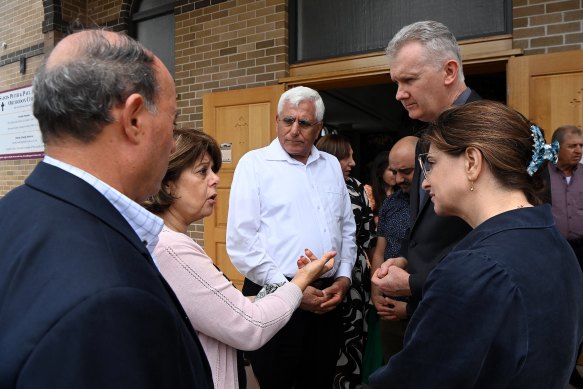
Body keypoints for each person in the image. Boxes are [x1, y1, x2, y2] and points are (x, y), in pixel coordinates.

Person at [0, 30, 213, 388]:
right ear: (133, 119)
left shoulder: (12, 212)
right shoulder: (110, 303)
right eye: (172, 122)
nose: (172, 140)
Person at [370, 100, 583, 388]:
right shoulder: (552, 239)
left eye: (431, 164)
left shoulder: (474, 268)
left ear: (472, 162)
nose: (425, 182)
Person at [143, 128, 336, 389]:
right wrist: (300, 281)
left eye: (213, 170)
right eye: (202, 171)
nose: (215, 180)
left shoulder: (169, 241)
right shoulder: (172, 249)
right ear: (167, 184)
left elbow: (221, 306)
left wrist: (280, 292)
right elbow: (251, 325)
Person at [226, 86, 357, 388]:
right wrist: (292, 292)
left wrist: (344, 278)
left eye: (304, 123)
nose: (294, 130)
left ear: (319, 128)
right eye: (288, 121)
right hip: (275, 294)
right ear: (277, 121)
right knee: (275, 380)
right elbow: (242, 242)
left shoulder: (331, 166)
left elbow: (347, 229)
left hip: (327, 297)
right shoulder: (254, 165)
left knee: (320, 378)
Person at [376, 20, 481, 317]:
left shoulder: (492, 131)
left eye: (409, 80)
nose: (399, 94)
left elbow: (496, 238)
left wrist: (415, 282)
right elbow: (424, 224)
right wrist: (407, 259)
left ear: (449, 71)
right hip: (429, 310)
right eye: (396, 83)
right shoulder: (424, 141)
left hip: (467, 310)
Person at [316, 134, 375, 388]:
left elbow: (366, 233)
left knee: (352, 336)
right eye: (344, 156)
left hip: (354, 272)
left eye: (352, 155)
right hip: (319, 270)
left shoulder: (357, 187)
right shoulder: (312, 186)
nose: (352, 162)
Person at [369, 136, 417, 363]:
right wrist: (376, 290)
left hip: (424, 303)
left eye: (405, 171)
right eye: (394, 171)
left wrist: (408, 308)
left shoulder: (441, 202)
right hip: (389, 304)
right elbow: (380, 249)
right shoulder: (391, 202)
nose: (398, 179)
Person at [548, 125, 583, 388]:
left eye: (581, 146)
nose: (579, 151)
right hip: (554, 252)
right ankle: (565, 370)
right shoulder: (541, 175)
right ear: (557, 147)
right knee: (560, 311)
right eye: (573, 146)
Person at [364, 150, 397, 225]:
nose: (396, 174)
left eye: (397, 170)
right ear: (380, 171)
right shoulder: (368, 191)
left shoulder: (401, 193)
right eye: (391, 170)